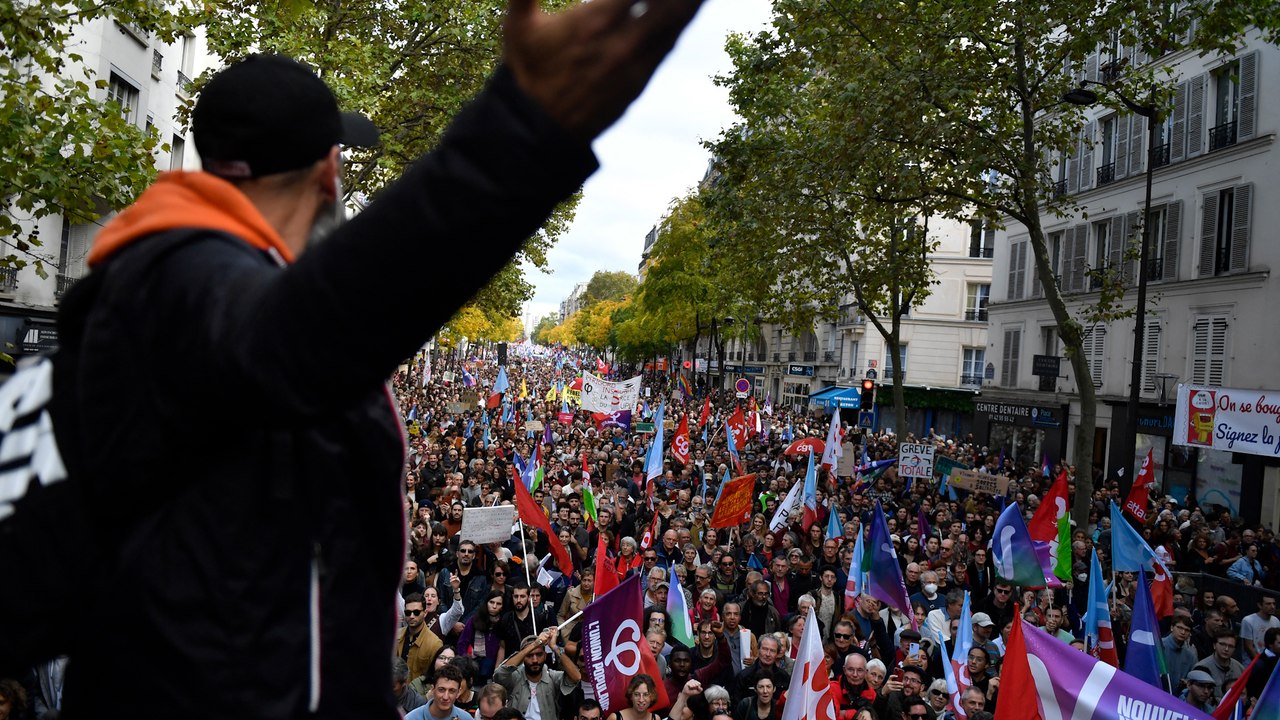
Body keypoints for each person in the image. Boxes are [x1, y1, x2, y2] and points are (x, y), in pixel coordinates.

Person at [58, 1, 707, 717]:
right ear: (330, 172)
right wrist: (524, 128)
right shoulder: (179, 288)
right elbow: (312, 331)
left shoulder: (146, 284)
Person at [493, 628, 580, 720]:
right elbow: (499, 674)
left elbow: (576, 677)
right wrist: (535, 644)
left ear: (545, 655)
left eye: (539, 655)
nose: (535, 660)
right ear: (523, 657)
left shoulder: (552, 677)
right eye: (529, 655)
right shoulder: (514, 677)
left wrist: (554, 647)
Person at [400, 594, 447, 683]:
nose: (412, 616)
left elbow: (436, 677)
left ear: (425, 613)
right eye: (408, 612)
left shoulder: (435, 644)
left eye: (416, 612)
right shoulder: (397, 636)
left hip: (419, 694)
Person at [406, 664, 473, 720]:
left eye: (452, 691)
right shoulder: (411, 718)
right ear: (432, 689)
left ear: (458, 693)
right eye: (441, 690)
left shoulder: (466, 718)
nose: (445, 697)